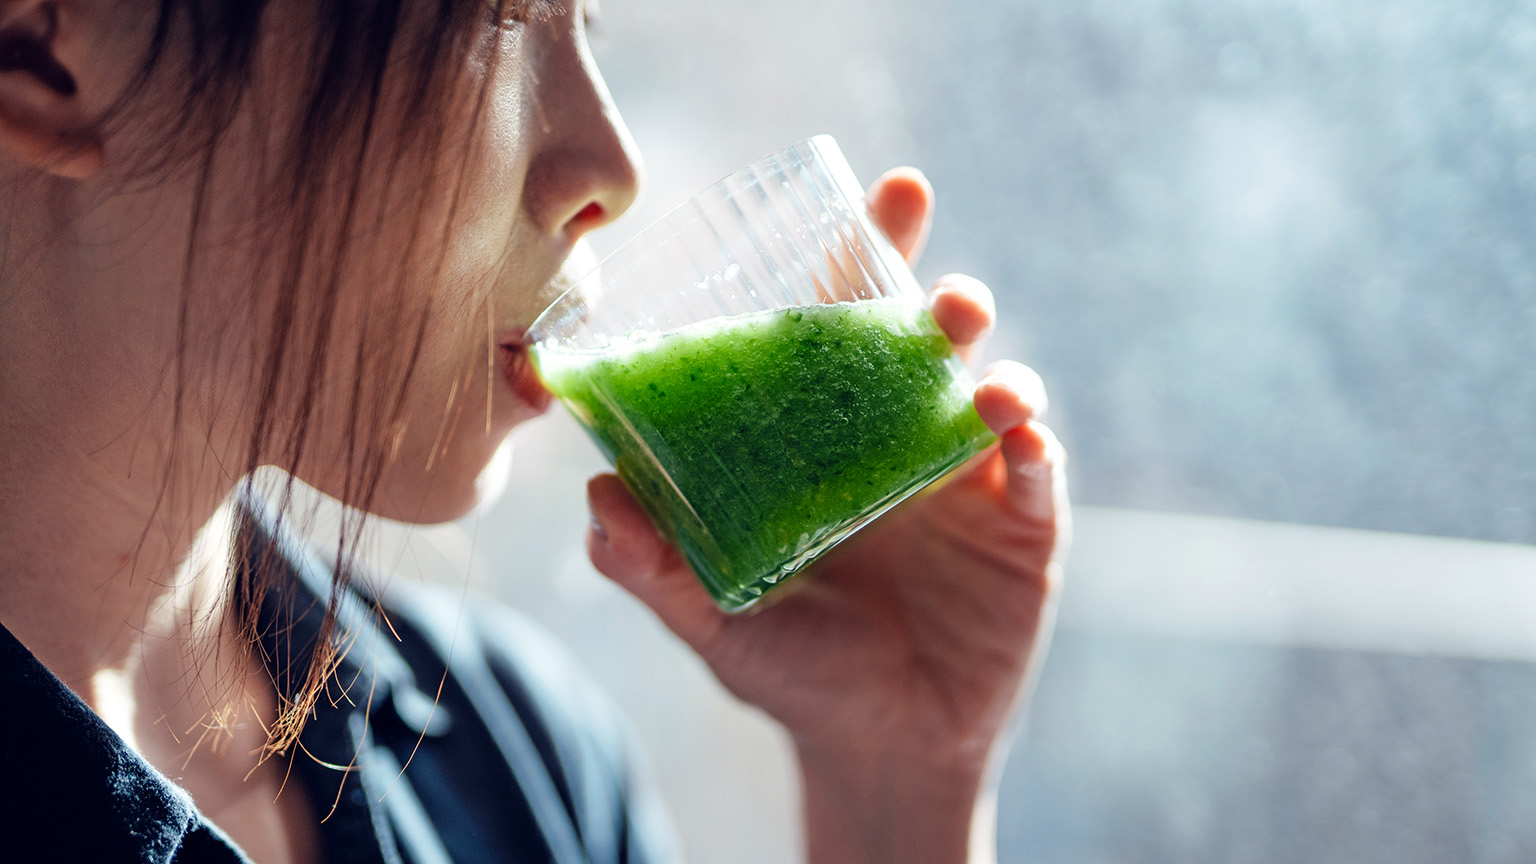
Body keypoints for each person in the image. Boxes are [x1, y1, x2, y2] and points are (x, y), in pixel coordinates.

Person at [0, 1, 1069, 862]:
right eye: (496, 24)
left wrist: (897, 786)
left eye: (590, 27)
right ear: (44, 52)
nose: (613, 167)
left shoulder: (516, 753)